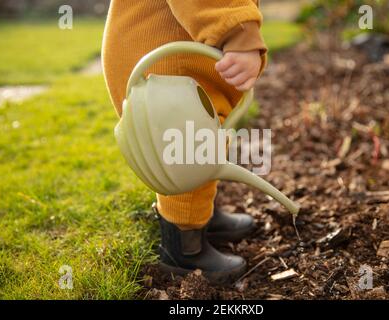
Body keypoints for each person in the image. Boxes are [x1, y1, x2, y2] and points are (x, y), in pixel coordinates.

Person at [102, 0, 267, 283]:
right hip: (167, 55)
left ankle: (204, 215)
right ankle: (184, 246)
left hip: (171, 45)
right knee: (185, 148)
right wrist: (238, 33)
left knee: (204, 137)